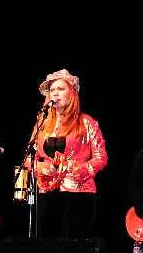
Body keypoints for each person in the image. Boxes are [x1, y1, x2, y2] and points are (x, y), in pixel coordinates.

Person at [32, 69, 108, 237]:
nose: (56, 94)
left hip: (78, 192)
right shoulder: (42, 123)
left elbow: (101, 157)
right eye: (52, 90)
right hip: (47, 191)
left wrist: (83, 170)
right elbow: (31, 157)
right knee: (47, 244)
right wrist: (41, 167)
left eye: (61, 89)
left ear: (72, 93)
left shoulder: (86, 123)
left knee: (72, 245)